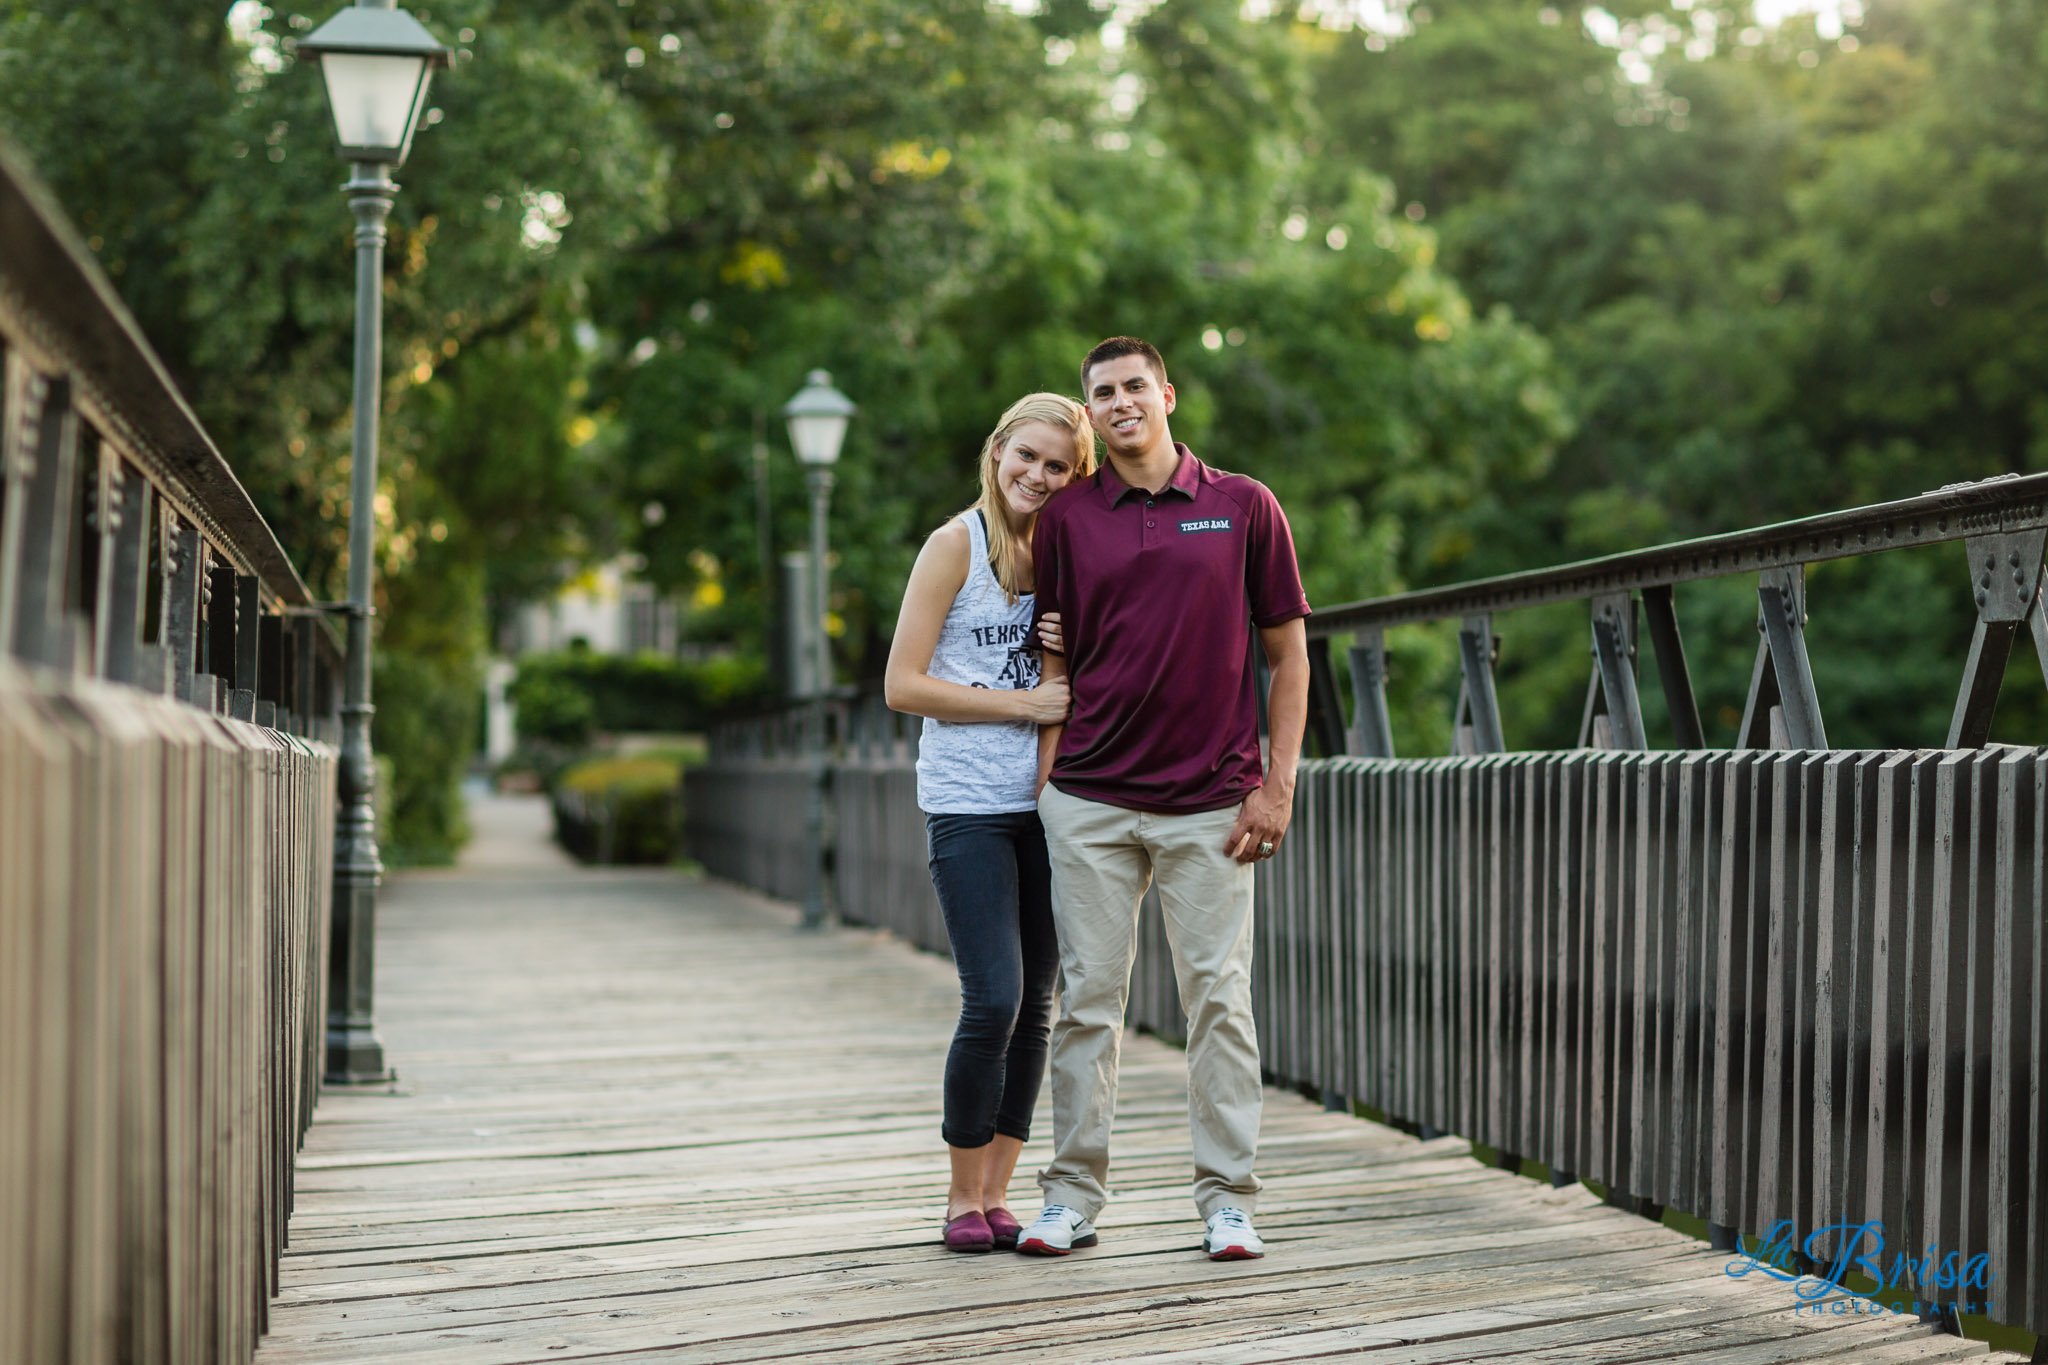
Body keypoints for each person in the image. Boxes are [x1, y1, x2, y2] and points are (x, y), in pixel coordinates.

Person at [1015, 336, 1310, 1262]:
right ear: (1091, 412)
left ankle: (1228, 1199)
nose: (1119, 401)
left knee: (1218, 1002)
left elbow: (1288, 654)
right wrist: (1049, 779)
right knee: (1089, 1002)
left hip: (1212, 805)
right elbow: (1055, 652)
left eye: (1134, 385)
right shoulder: (1067, 517)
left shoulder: (1243, 505)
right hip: (1091, 800)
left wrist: (1276, 786)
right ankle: (1070, 1197)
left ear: (1168, 395)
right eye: (1101, 392)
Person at [883, 392, 1096, 1253]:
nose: (1037, 478)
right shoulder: (953, 546)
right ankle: (959, 1194)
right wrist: (1023, 703)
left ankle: (1001, 1194)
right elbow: (901, 684)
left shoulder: (1067, 558)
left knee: (1037, 1008)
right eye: (1027, 458)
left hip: (1052, 803)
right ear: (997, 448)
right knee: (994, 997)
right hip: (969, 806)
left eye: (1058, 467)